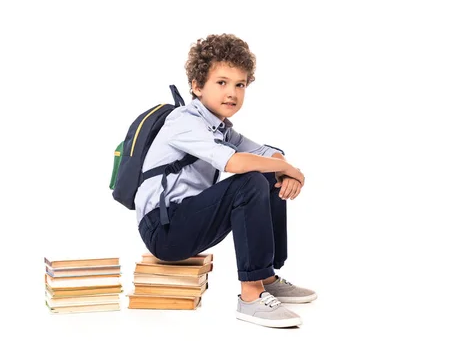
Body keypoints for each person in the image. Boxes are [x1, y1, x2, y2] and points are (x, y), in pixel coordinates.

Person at [134, 33, 316, 328]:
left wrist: (284, 168)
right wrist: (288, 170)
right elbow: (235, 162)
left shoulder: (220, 128)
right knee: (251, 179)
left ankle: (266, 277)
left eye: (239, 84)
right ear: (196, 86)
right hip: (163, 230)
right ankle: (251, 296)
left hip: (186, 221)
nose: (232, 93)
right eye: (222, 82)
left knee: (264, 175)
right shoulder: (184, 121)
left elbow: (266, 152)